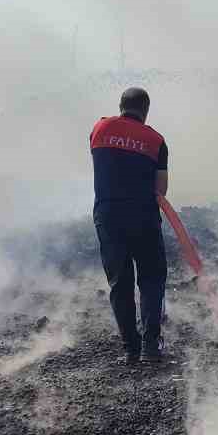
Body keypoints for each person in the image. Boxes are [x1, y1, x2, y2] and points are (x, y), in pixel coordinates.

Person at [90, 87, 169, 365]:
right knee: (151, 279)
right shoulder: (156, 140)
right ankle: (151, 347)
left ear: (121, 106)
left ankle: (130, 349)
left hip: (108, 217)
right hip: (144, 218)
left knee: (119, 283)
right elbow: (161, 190)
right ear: (145, 111)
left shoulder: (99, 129)